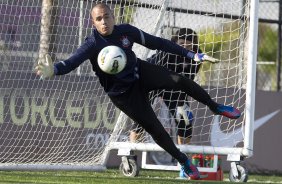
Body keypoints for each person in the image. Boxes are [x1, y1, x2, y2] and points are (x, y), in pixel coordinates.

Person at [35, 3, 241, 180]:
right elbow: (71, 62)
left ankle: (215, 107)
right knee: (154, 127)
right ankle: (184, 162)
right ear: (93, 23)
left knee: (180, 81)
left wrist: (191, 54)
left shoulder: (126, 31)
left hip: (140, 71)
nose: (104, 21)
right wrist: (53, 69)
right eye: (99, 19)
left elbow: (158, 42)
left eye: (107, 16)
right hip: (123, 94)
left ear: (113, 17)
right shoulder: (92, 44)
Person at [129, 28, 210, 177]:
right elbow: (154, 73)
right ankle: (131, 156)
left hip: (174, 87)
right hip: (150, 81)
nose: (185, 47)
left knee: (184, 121)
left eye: (189, 45)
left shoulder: (197, 57)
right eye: (181, 44)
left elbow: (186, 82)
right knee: (140, 118)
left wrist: (183, 108)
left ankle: (184, 163)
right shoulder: (166, 52)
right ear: (175, 42)